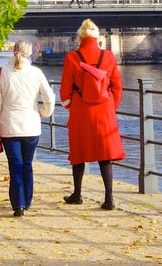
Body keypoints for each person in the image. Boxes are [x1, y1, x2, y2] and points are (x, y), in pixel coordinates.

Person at [60, 19, 124, 210]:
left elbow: (65, 89)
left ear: (80, 37)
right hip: (104, 109)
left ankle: (78, 194)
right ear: (97, 37)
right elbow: (117, 86)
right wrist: (111, 106)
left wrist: (71, 106)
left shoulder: (72, 57)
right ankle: (109, 198)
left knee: (79, 153)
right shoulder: (108, 56)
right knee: (105, 155)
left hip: (81, 109)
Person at [0, 40, 55, 217]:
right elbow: (49, 96)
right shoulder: (36, 72)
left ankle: (18, 204)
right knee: (27, 165)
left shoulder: (2, 73)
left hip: (9, 125)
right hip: (31, 125)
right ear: (28, 53)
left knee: (15, 166)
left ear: (13, 51)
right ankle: (27, 201)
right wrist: (44, 112)